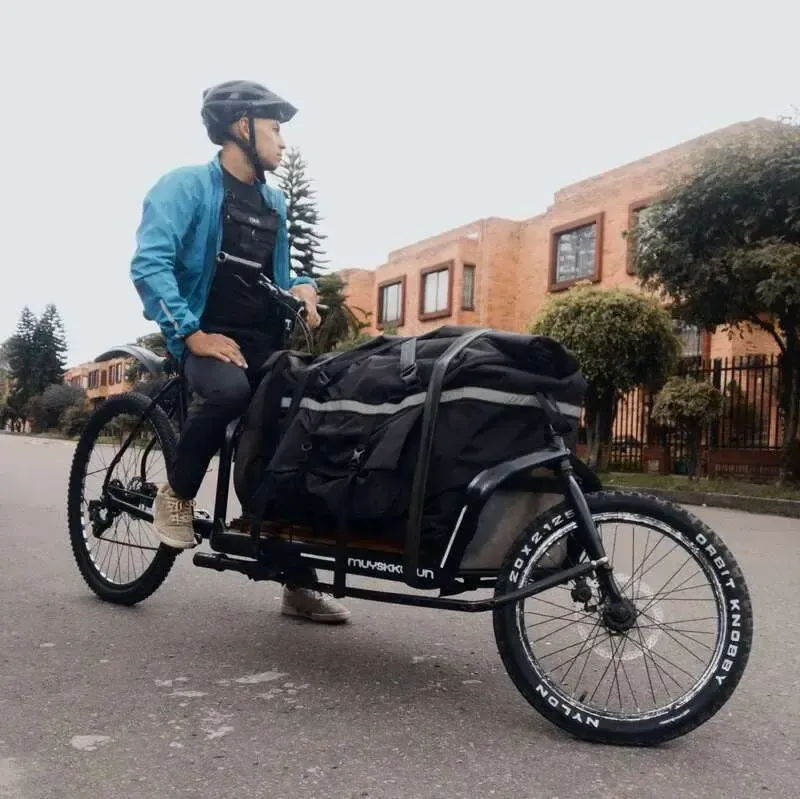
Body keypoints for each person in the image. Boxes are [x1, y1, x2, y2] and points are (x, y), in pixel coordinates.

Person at [130, 80, 350, 623]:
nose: (282, 141)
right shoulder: (185, 187)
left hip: (261, 343)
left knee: (296, 431)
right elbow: (149, 264)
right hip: (202, 337)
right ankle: (176, 496)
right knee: (228, 392)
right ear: (241, 126)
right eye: (275, 129)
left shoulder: (273, 200)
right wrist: (191, 334)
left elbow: (280, 273)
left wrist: (302, 286)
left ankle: (296, 582)